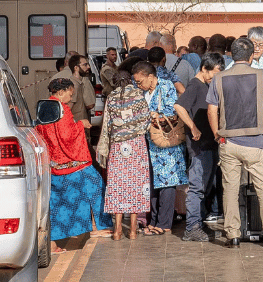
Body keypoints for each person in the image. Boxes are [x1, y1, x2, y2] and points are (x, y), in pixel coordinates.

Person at [208, 38, 263, 248]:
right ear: (252, 56)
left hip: (228, 141)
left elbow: (211, 109)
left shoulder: (219, 78)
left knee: (230, 189)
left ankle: (233, 235)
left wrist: (217, 134)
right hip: (254, 142)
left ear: (231, 56)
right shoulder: (259, 75)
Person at [38, 79, 114, 252]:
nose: (71, 99)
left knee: (57, 203)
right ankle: (98, 227)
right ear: (62, 91)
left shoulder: (44, 107)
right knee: (96, 187)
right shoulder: (61, 108)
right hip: (72, 161)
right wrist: (81, 124)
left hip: (55, 164)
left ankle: (52, 243)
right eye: (70, 94)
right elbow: (66, 135)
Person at [97, 59, 151, 241]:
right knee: (136, 186)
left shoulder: (111, 98)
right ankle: (134, 231)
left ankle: (117, 231)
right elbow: (146, 122)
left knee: (117, 186)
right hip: (137, 146)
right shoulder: (138, 95)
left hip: (118, 147)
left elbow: (107, 126)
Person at [173, 53, 225, 242]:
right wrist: (193, 126)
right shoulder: (195, 85)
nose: (214, 79)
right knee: (197, 187)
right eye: (213, 74)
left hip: (209, 144)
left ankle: (199, 223)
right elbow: (179, 107)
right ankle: (192, 227)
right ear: (204, 69)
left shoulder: (206, 85)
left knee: (205, 186)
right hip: (199, 146)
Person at [132, 61, 187, 235]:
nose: (138, 85)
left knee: (167, 183)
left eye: (140, 81)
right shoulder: (142, 90)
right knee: (154, 183)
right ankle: (154, 220)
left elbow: (172, 111)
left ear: (150, 77)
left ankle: (164, 224)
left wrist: (155, 114)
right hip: (150, 142)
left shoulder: (166, 86)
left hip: (166, 142)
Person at [51, 54, 95, 125]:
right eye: (85, 65)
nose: (88, 67)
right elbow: (67, 110)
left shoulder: (78, 83)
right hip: (76, 129)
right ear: (76, 68)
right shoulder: (74, 86)